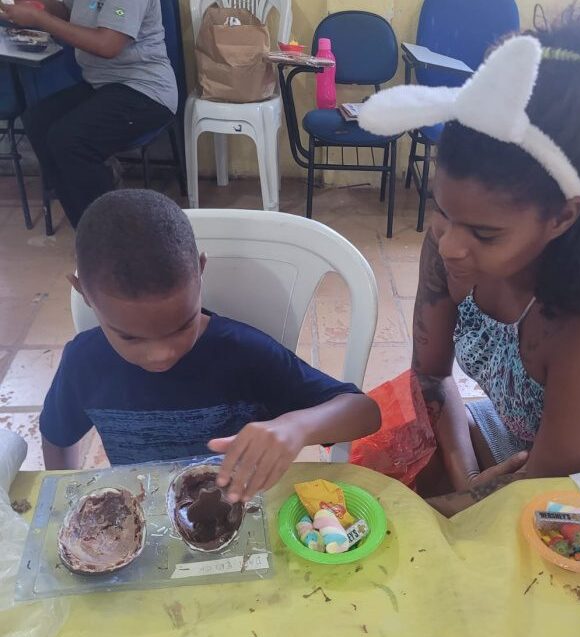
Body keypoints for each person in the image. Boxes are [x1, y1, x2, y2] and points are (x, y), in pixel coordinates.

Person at [359, 18, 580, 516]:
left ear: (562, 216)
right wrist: (465, 474)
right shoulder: (453, 240)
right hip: (528, 443)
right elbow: (430, 379)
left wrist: (453, 502)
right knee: (399, 482)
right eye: (443, 211)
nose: (450, 245)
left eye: (484, 233)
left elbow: (547, 490)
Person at [40, 190, 381, 502]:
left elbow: (364, 413)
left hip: (237, 513)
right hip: (142, 519)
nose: (162, 354)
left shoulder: (245, 355)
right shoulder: (83, 363)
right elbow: (57, 436)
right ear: (83, 291)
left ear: (201, 271)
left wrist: (297, 426)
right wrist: (66, 502)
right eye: (130, 336)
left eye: (182, 325)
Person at [0, 0, 176, 228]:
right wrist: (36, 5)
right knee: (38, 122)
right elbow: (67, 11)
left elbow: (107, 45)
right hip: (103, 85)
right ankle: (86, 227)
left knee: (69, 140)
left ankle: (110, 236)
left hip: (145, 91)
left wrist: (38, 18)